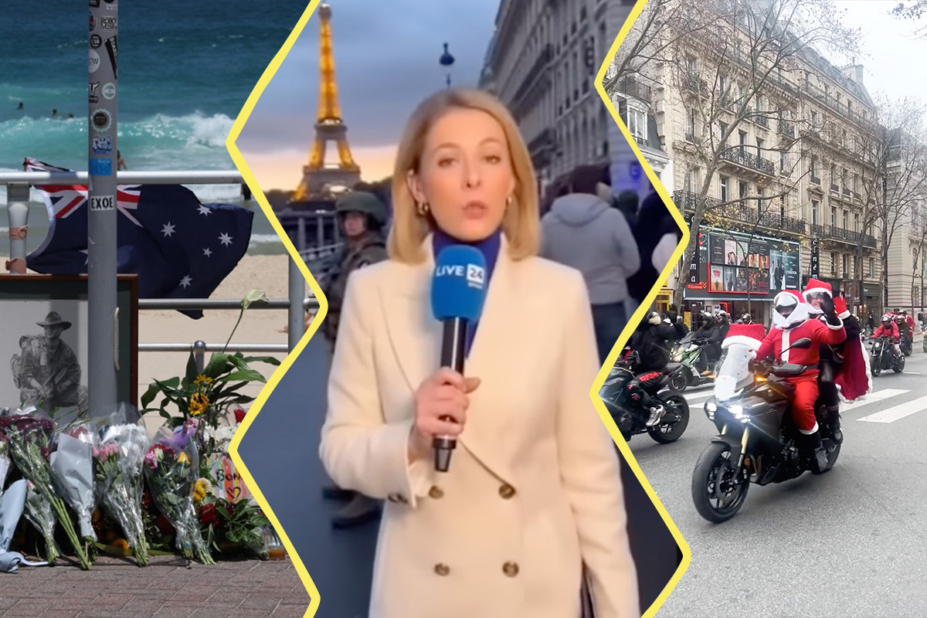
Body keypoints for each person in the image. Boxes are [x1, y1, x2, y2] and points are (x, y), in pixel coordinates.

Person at [319, 88, 639, 618]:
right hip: (420, 593)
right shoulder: (372, 291)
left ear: (512, 179)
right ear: (417, 185)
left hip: (533, 591)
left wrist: (615, 607)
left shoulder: (558, 292)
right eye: (449, 161)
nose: (473, 178)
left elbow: (591, 474)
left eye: (491, 158)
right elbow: (339, 449)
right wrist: (411, 441)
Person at [319, 191, 389, 529]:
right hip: (344, 346)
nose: (349, 222)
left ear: (370, 221)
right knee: (344, 417)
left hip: (363, 352)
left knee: (362, 420)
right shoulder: (349, 255)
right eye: (346, 217)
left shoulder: (372, 258)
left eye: (357, 217)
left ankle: (364, 494)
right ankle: (349, 480)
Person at [541, 164, 641, 365]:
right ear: (600, 189)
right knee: (611, 370)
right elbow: (633, 262)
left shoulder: (549, 221)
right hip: (609, 303)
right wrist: (613, 276)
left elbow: (541, 263)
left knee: (573, 369)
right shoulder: (613, 218)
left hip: (565, 306)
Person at [754, 290, 845, 473]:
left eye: (789, 308)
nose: (785, 312)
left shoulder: (811, 325)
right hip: (777, 377)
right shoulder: (776, 330)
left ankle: (816, 447)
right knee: (756, 404)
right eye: (782, 309)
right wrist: (741, 359)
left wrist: (832, 317)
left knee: (802, 406)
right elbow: (760, 351)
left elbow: (835, 337)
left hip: (805, 377)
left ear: (797, 307)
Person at [19, 312, 82, 410]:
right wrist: (40, 388)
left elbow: (76, 371)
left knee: (85, 395)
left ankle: (84, 424)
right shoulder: (32, 349)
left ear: (60, 329)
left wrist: (62, 386)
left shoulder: (66, 351)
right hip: (35, 393)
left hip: (56, 392)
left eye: (52, 327)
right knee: (33, 419)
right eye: (46, 327)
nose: (48, 330)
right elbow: (25, 374)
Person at [627, 312, 675, 426]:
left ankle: (655, 407)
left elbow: (678, 334)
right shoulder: (635, 332)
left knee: (632, 386)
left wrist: (676, 323)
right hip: (638, 369)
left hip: (655, 370)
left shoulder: (658, 330)